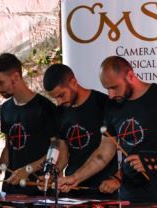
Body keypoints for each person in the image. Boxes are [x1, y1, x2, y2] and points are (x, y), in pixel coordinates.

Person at [58, 56, 157, 202]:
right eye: (107, 89)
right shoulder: (113, 106)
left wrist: (153, 161)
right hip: (129, 196)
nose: (110, 95)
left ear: (130, 75)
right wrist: (75, 178)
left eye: (114, 87)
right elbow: (103, 154)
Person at [43, 63, 118, 198]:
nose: (59, 102)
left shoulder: (103, 103)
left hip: (102, 189)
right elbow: (63, 154)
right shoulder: (60, 112)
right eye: (55, 98)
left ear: (73, 82)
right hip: (73, 189)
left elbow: (106, 150)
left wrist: (76, 177)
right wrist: (53, 174)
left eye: (61, 95)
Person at [0, 53, 57, 195]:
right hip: (11, 188)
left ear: (16, 77)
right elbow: (9, 146)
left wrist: (28, 169)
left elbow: (56, 151)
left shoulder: (45, 108)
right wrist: (1, 163)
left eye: (0, 82)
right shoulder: (5, 109)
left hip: (38, 187)